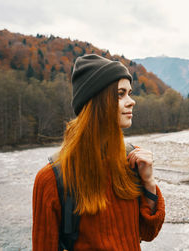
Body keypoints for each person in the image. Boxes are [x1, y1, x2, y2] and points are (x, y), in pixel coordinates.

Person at [32, 54, 165, 250]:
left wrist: (148, 183)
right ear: (96, 102)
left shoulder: (133, 162)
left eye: (130, 93)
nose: (131, 101)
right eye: (120, 94)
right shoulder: (51, 179)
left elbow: (148, 233)